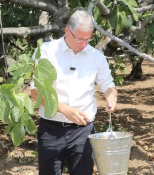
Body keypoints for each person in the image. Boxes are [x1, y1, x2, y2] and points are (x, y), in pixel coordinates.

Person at [30, 9, 118, 175]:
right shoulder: (47, 52)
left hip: (83, 132)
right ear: (67, 31)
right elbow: (36, 92)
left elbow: (108, 86)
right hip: (51, 129)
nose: (84, 44)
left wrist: (111, 97)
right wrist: (65, 110)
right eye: (79, 39)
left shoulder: (96, 56)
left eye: (88, 39)